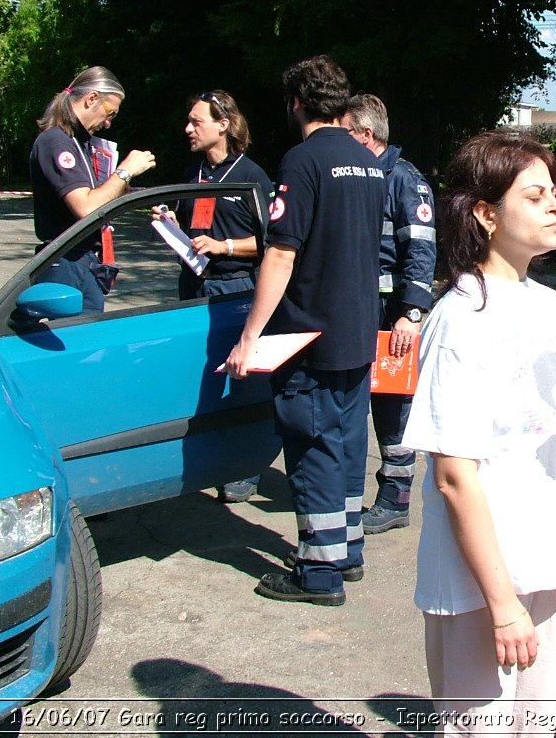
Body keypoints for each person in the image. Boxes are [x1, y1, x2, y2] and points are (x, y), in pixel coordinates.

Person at [402, 130, 556, 736]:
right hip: (486, 581)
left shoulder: (552, 308)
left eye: (554, 192)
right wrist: (502, 606)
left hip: (551, 562)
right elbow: (454, 476)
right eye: (535, 196)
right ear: (486, 214)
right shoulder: (460, 321)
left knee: (535, 729)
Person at [224, 55, 385, 607]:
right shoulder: (368, 162)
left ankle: (318, 574)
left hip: (308, 335)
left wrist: (249, 337)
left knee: (313, 446)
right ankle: (348, 551)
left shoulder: (302, 160)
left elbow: (281, 253)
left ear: (295, 102)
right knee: (346, 441)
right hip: (358, 330)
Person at [156, 89, 275, 503]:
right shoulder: (194, 176)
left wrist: (224, 246)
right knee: (199, 375)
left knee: (238, 381)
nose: (187, 129)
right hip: (193, 286)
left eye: (196, 121)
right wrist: (171, 222)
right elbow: (193, 233)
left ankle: (246, 465)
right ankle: (206, 458)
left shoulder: (251, 178)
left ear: (223, 125)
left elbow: (274, 244)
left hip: (235, 290)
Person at [342, 93, 437, 534]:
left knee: (393, 405)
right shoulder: (361, 176)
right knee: (358, 401)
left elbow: (420, 250)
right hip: (363, 311)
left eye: (346, 133)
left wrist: (411, 314)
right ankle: (351, 491)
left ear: (366, 134)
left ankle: (396, 498)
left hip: (393, 315)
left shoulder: (404, 180)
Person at [29, 66, 156, 312]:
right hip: (66, 263)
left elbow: (97, 199)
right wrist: (125, 170)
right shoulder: (56, 141)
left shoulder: (79, 143)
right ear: (91, 99)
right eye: (110, 113)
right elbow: (86, 207)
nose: (108, 123)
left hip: (84, 263)